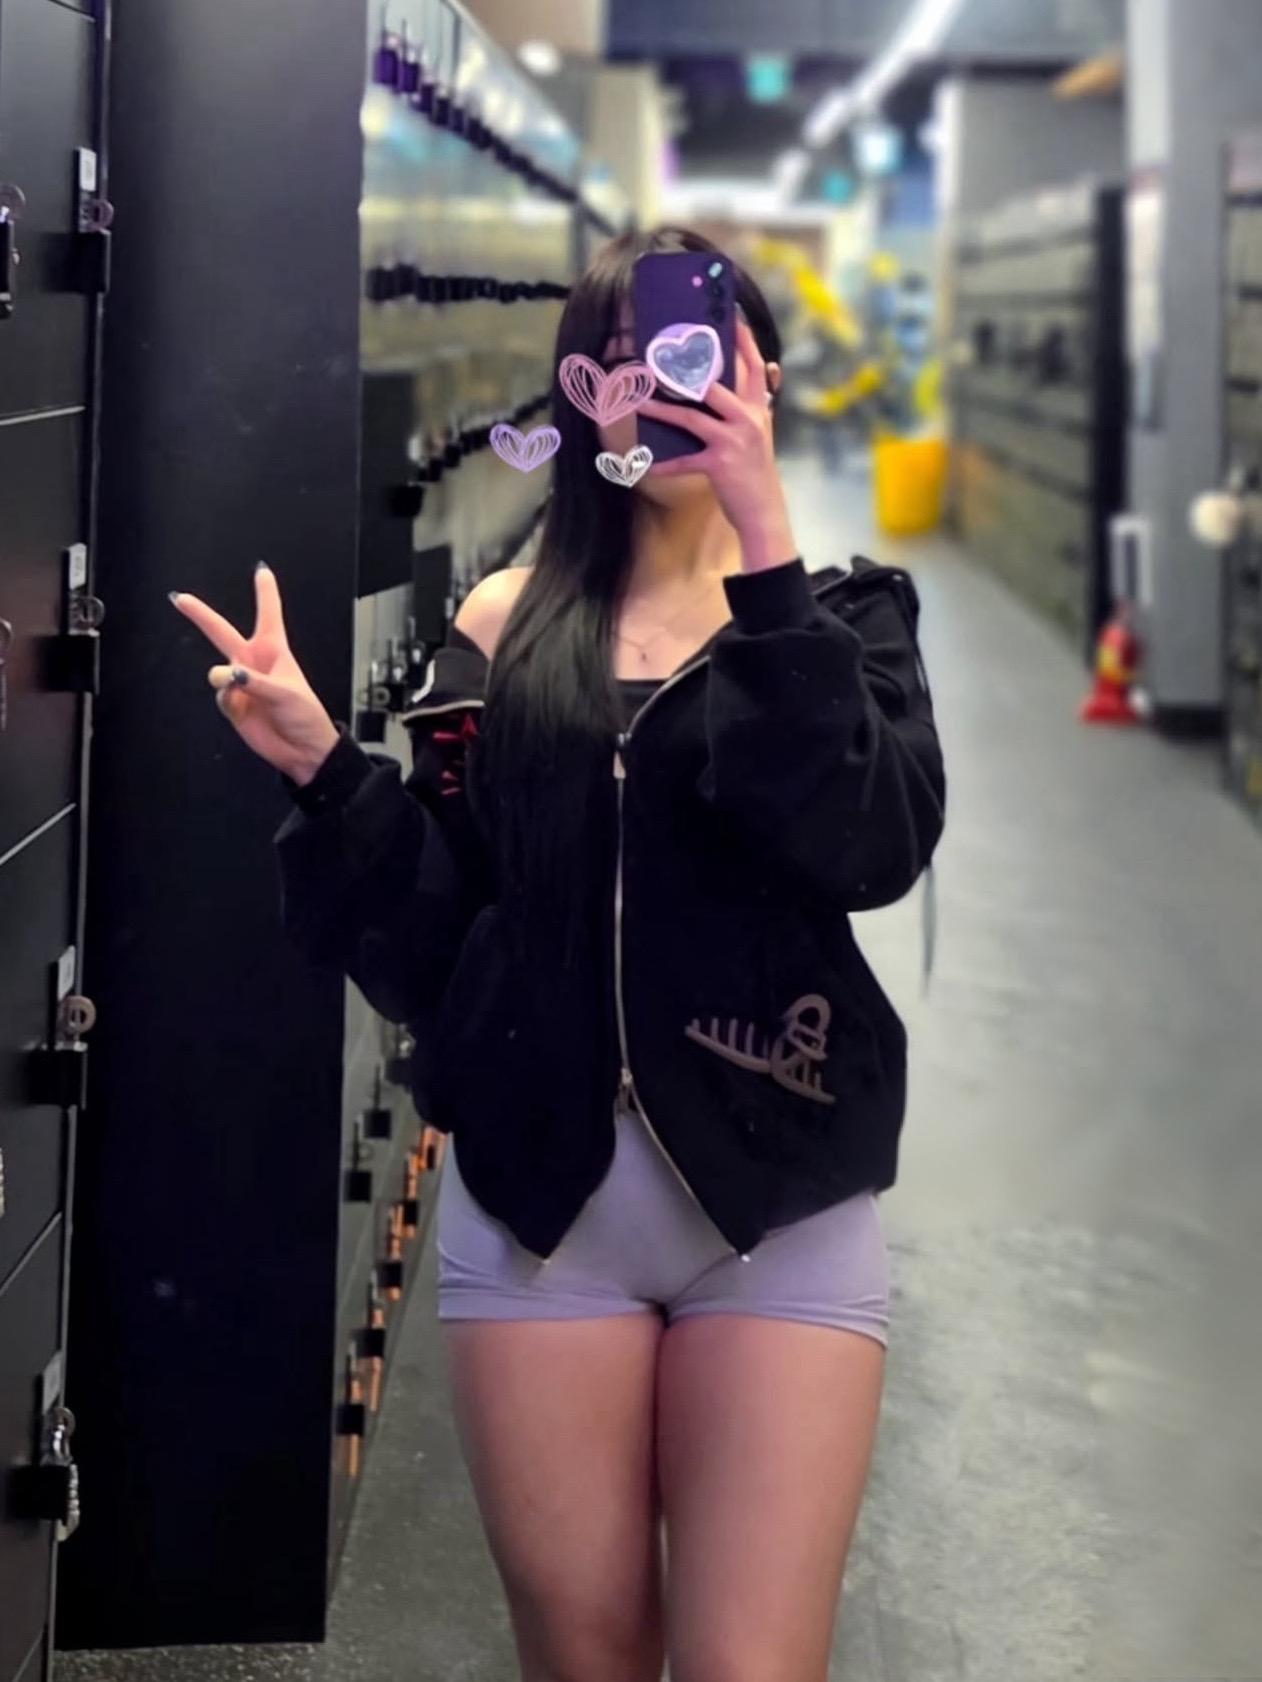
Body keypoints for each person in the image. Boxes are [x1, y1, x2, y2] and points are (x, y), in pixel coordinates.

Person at [169, 225, 945, 1682]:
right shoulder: (502, 626)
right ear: (587, 394)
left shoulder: (843, 622)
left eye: (700, 353)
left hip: (778, 1198)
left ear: (763, 375)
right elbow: (443, 939)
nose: (666, 387)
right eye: (628, 362)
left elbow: (870, 849)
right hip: (543, 1218)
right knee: (581, 1663)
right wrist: (328, 770)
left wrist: (765, 551)